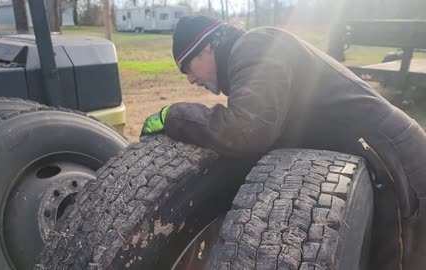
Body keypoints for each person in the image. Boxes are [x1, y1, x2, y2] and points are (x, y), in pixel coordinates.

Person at [141, 15, 426, 269]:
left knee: (395, 260)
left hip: (394, 159)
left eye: (187, 66)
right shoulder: (248, 59)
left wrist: (174, 116)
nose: (190, 79)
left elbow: (248, 129)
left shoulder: (256, 46)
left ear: (207, 47)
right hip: (378, 154)